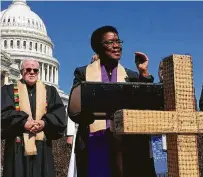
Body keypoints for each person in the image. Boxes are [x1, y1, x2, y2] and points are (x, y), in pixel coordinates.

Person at [69, 25, 156, 177]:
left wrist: (144, 74)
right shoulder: (83, 73)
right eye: (110, 42)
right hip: (94, 141)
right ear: (98, 48)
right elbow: (75, 109)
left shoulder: (131, 76)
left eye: (118, 41)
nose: (117, 46)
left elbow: (146, 105)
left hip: (126, 145)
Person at [1, 59, 67, 177]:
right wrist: (23, 123)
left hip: (42, 148)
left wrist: (44, 122)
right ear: (21, 71)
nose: (32, 72)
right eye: (28, 69)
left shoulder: (50, 92)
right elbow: (3, 114)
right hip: (17, 147)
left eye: (35, 70)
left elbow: (59, 116)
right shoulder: (8, 90)